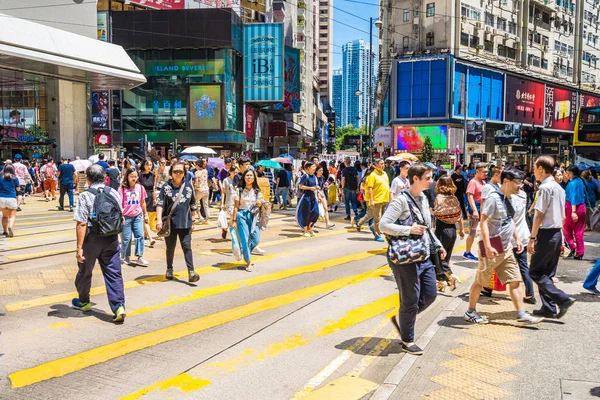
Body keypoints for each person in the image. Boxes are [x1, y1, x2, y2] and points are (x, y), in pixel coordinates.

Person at [380, 162, 445, 355]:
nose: (431, 182)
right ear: (415, 178)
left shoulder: (424, 198)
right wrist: (408, 229)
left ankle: (403, 319)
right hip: (404, 258)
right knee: (410, 300)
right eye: (427, 178)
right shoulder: (400, 200)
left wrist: (437, 245)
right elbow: (383, 225)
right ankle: (407, 340)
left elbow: (426, 226)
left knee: (431, 294)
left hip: (423, 254)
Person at [464, 169, 542, 325]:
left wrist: (517, 239)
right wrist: (487, 246)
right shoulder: (493, 199)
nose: (520, 186)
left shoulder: (509, 198)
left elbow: (509, 221)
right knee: (480, 282)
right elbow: (483, 222)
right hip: (492, 249)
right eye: (517, 182)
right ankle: (470, 311)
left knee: (515, 281)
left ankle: (521, 313)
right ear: (506, 181)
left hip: (506, 249)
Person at [72, 164, 126, 323]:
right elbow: (120, 216)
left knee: (85, 271)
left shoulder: (85, 195)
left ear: (88, 179)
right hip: (111, 237)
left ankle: (84, 301)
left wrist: (79, 248)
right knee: (114, 273)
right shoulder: (114, 192)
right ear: (104, 177)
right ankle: (119, 307)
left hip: (92, 239)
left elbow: (81, 223)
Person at [528, 156, 576, 318]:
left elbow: (539, 214)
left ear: (541, 169)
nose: (533, 170)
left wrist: (532, 238)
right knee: (547, 273)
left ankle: (562, 299)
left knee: (535, 272)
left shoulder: (545, 188)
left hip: (546, 233)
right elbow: (562, 216)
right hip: (556, 233)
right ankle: (548, 307)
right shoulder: (559, 188)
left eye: (535, 167)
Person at [156, 162, 199, 282]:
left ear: (184, 173)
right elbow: (160, 204)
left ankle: (191, 272)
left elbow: (193, 205)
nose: (178, 173)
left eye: (180, 171)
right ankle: (169, 269)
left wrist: (194, 220)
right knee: (170, 248)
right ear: (171, 173)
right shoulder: (166, 187)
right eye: (175, 171)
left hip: (185, 223)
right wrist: (159, 220)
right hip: (170, 224)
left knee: (187, 247)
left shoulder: (188, 187)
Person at [433, 176, 464, 290]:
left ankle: (449, 276)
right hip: (452, 229)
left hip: (442, 228)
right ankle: (443, 283)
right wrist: (461, 229)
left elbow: (437, 212)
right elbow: (459, 214)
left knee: (438, 256)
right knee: (446, 258)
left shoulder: (439, 197)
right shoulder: (454, 198)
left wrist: (432, 212)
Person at [230, 169, 264, 272]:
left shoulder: (257, 191)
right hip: (242, 215)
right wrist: (233, 220)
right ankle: (248, 262)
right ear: (244, 177)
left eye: (251, 175)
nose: (249, 177)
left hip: (254, 216)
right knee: (245, 238)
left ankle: (245, 251)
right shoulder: (239, 190)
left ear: (254, 178)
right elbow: (236, 207)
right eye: (247, 175)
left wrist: (260, 204)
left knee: (256, 239)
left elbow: (262, 203)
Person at [511, 176, 536, 304]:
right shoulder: (523, 195)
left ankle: (487, 287)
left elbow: (510, 219)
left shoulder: (511, 197)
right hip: (523, 234)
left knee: (495, 264)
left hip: (512, 238)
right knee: (523, 265)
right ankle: (530, 293)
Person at [118, 167, 149, 266]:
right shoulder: (122, 188)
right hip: (126, 216)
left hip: (137, 215)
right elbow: (119, 203)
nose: (134, 179)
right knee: (126, 238)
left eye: (135, 176)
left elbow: (142, 202)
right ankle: (125, 257)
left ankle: (140, 256)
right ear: (127, 176)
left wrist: (145, 214)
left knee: (139, 235)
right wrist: (121, 214)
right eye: (131, 176)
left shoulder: (140, 187)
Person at [356, 158, 390, 242]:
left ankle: (367, 225)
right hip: (376, 200)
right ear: (376, 165)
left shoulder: (384, 174)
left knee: (377, 217)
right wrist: (371, 200)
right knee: (377, 219)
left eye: (383, 163)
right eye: (381, 164)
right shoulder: (372, 175)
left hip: (384, 199)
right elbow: (370, 188)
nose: (383, 165)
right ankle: (377, 235)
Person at [463, 162, 487, 261]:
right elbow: (470, 196)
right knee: (473, 232)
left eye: (487, 172)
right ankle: (467, 252)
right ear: (477, 171)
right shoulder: (473, 182)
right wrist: (474, 210)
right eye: (484, 172)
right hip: (475, 209)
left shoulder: (483, 182)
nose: (486, 174)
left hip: (483, 208)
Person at [563, 165, 586, 259]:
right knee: (579, 231)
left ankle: (572, 246)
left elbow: (573, 196)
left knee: (566, 228)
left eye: (567, 172)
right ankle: (580, 252)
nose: (566, 174)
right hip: (582, 207)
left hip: (572, 207)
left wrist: (573, 211)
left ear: (571, 173)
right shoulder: (580, 181)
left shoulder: (572, 183)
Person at [296, 161, 320, 237]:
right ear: (308, 168)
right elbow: (300, 186)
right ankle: (305, 230)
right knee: (306, 213)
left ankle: (310, 227)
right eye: (313, 167)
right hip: (306, 197)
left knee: (316, 212)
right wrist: (310, 188)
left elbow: (316, 185)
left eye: (315, 167)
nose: (314, 169)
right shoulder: (305, 176)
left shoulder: (314, 177)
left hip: (313, 197)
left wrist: (316, 188)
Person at [139, 160, 156, 247]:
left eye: (150, 165)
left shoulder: (152, 175)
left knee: (147, 215)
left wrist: (154, 198)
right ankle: (149, 237)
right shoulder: (140, 175)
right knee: (144, 217)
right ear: (144, 165)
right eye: (147, 165)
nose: (149, 166)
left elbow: (153, 187)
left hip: (149, 196)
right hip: (142, 196)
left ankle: (145, 234)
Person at [0, 164, 19, 237]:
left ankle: (4, 231)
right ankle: (10, 227)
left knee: (5, 216)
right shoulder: (14, 178)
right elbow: (18, 189)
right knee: (12, 216)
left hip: (1, 198)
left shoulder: (1, 178)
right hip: (11, 198)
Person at [220, 165, 238, 239]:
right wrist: (222, 203)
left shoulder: (239, 180)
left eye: (237, 172)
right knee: (232, 217)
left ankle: (225, 228)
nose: (235, 174)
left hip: (237, 202)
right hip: (229, 202)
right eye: (234, 172)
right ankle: (233, 235)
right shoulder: (226, 180)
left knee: (234, 219)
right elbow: (223, 192)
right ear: (230, 172)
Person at [340, 157, 359, 222]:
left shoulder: (344, 170)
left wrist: (342, 188)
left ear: (345, 162)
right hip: (354, 187)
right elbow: (357, 178)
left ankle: (348, 215)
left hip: (346, 188)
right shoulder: (354, 169)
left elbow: (343, 179)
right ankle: (356, 212)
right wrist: (357, 186)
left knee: (347, 201)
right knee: (353, 201)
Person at [194, 159, 211, 224]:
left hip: (199, 190)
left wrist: (195, 188)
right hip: (206, 189)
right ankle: (207, 219)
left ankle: (200, 216)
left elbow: (196, 183)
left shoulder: (197, 172)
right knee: (206, 205)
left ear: (198, 165)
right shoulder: (205, 171)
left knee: (194, 203)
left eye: (195, 165)